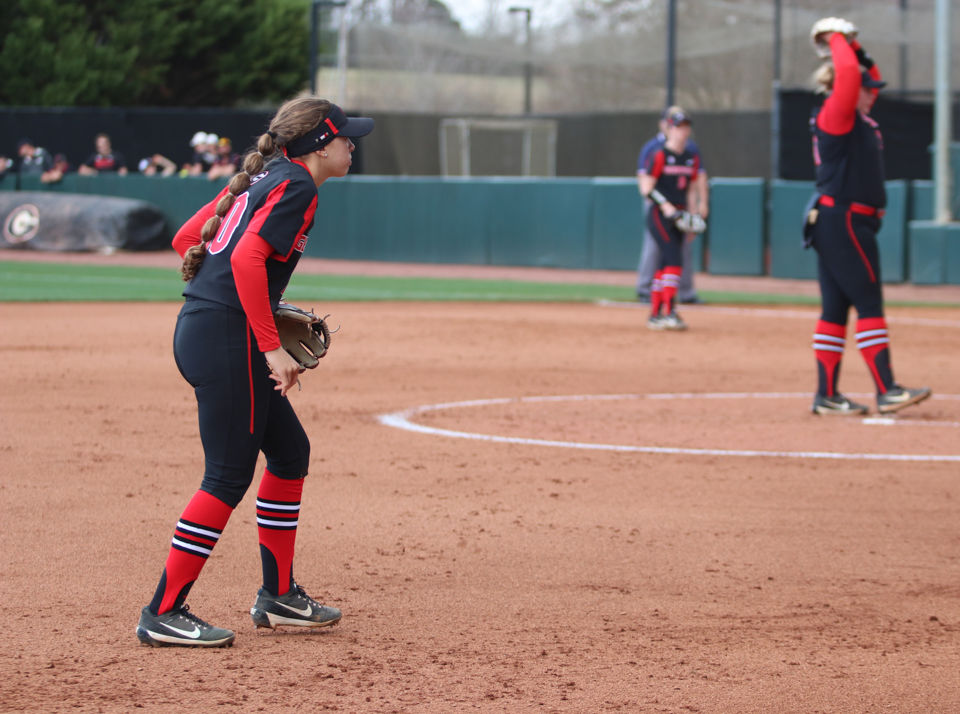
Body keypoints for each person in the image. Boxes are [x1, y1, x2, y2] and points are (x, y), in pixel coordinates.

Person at [135, 97, 374, 648]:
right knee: (225, 475)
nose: (351, 145)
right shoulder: (296, 185)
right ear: (318, 144)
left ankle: (280, 596)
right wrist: (271, 346)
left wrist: (248, 305)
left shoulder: (264, 176)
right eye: (344, 137)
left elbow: (187, 240)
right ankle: (163, 611)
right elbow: (244, 260)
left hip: (209, 328)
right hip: (228, 339)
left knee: (290, 453)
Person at [806, 18, 930, 415]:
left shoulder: (853, 115)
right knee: (869, 301)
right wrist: (835, 38)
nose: (872, 92)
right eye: (867, 89)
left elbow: (864, 72)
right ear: (847, 90)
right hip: (844, 220)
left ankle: (826, 396)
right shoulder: (838, 114)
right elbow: (848, 74)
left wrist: (856, 50)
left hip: (839, 220)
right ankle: (887, 390)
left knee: (835, 310)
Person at [635, 106, 708, 304]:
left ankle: (677, 299)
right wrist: (664, 206)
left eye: (685, 126)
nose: (682, 131)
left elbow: (694, 183)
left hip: (681, 209)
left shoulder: (690, 152)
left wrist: (696, 209)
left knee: (675, 256)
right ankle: (650, 294)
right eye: (678, 126)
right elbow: (645, 184)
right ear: (667, 126)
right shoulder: (654, 150)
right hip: (659, 209)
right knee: (660, 252)